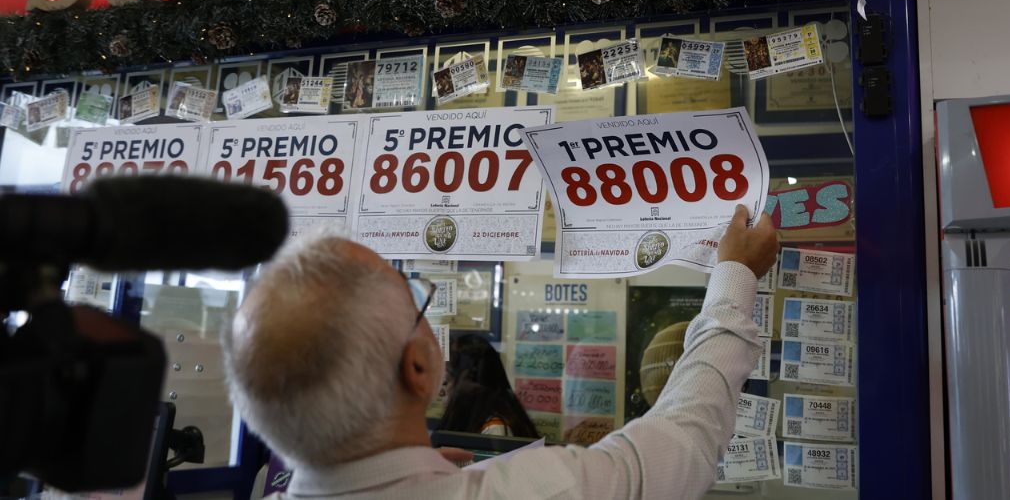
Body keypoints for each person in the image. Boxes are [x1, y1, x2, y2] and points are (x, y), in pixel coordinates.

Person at [223, 204, 778, 499]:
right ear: (418, 369)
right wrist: (735, 276)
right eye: (414, 301)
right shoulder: (542, 490)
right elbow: (686, 438)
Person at [436, 334, 539, 438]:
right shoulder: (473, 418)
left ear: (470, 380)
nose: (444, 391)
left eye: (446, 382)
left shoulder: (494, 428)